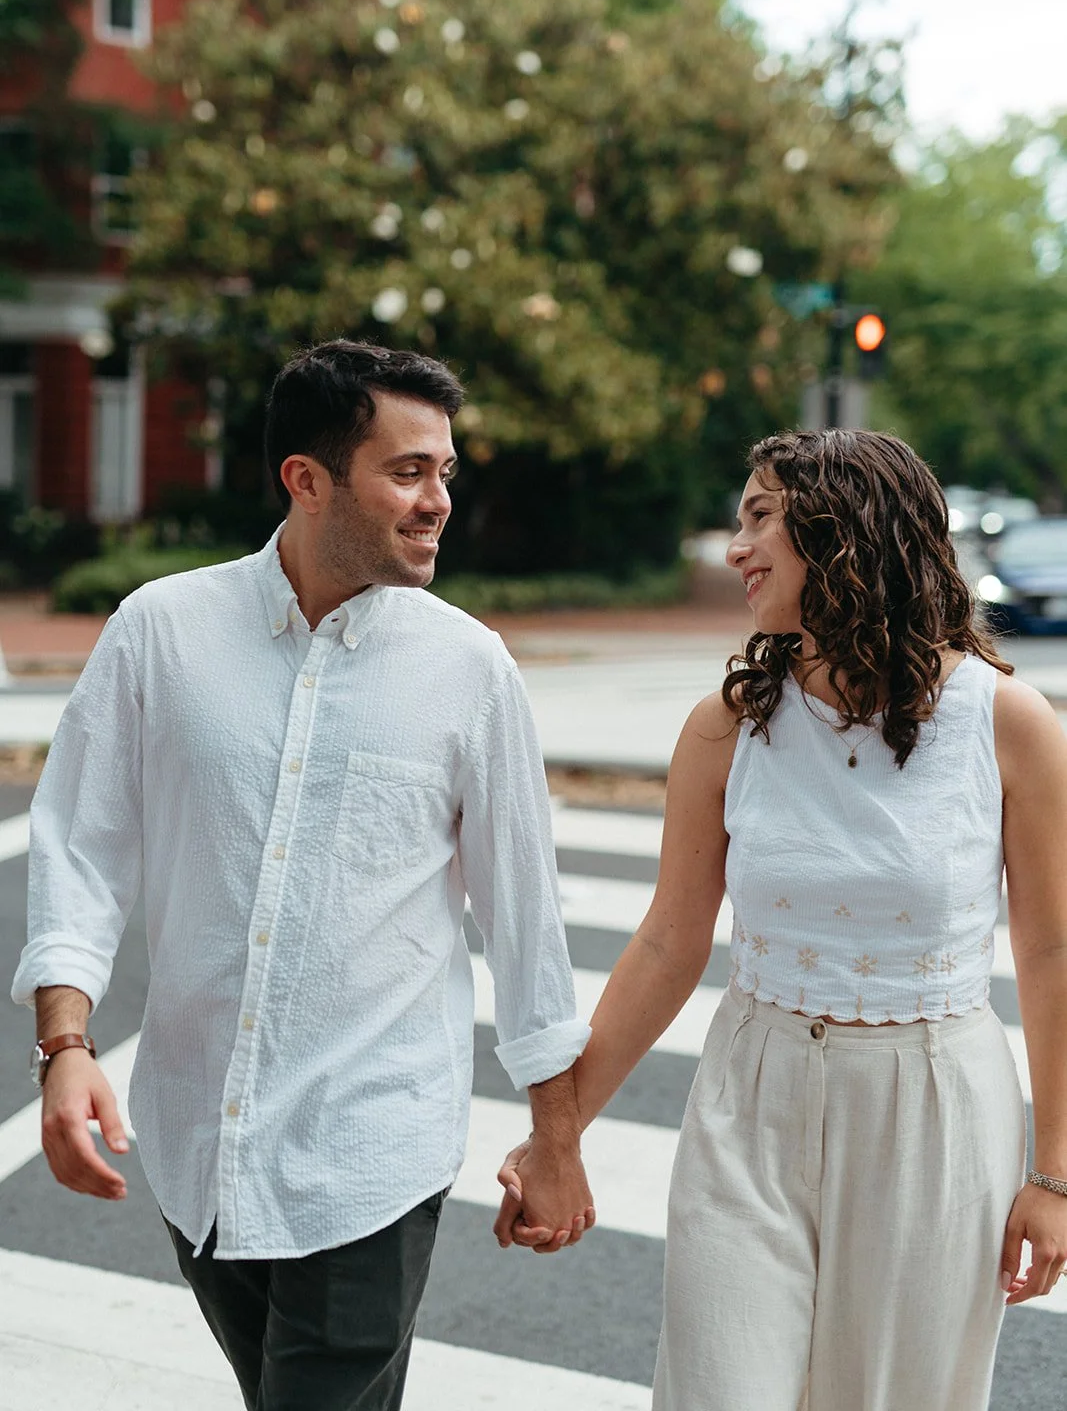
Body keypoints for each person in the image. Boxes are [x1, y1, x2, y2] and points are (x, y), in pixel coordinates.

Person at [13, 338, 593, 1411]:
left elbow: (525, 925)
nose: (437, 502)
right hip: (201, 1154)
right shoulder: (161, 632)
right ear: (307, 478)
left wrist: (553, 1138)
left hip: (370, 1152)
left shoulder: (468, 671)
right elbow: (82, 841)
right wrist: (65, 1042)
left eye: (444, 473)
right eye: (407, 470)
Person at [496, 428, 1067, 1410]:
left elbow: (1053, 953)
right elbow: (669, 941)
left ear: (842, 533)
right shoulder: (729, 723)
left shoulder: (1004, 723)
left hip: (930, 1111)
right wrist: (558, 1134)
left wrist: (1053, 1176)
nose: (733, 547)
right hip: (749, 1098)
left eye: (758, 516)